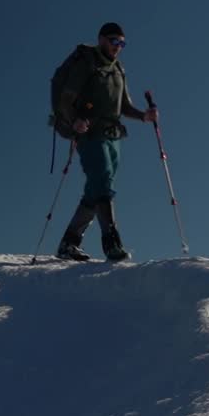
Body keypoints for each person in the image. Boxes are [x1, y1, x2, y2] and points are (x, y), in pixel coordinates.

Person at [53, 22, 159, 261]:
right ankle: (112, 244)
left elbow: (123, 105)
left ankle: (69, 243)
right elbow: (67, 97)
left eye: (122, 43)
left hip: (113, 135)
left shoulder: (118, 69)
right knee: (102, 182)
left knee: (96, 189)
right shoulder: (86, 63)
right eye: (114, 41)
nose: (118, 47)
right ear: (101, 39)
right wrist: (74, 121)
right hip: (89, 132)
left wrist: (144, 116)